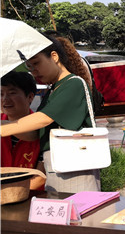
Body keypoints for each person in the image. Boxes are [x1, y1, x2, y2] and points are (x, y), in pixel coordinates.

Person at [0, 35, 100, 193]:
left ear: (54, 56)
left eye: (36, 63)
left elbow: (42, 119)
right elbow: (35, 133)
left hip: (76, 168)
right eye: (29, 67)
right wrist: (6, 125)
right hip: (56, 168)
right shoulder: (53, 91)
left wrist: (4, 128)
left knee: (79, 207)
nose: (34, 71)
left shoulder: (74, 84)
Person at [1, 71, 45, 190]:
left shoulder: (43, 128)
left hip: (30, 196)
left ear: (30, 97)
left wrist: (12, 194)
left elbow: (41, 177)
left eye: (12, 93)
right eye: (1, 94)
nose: (5, 99)